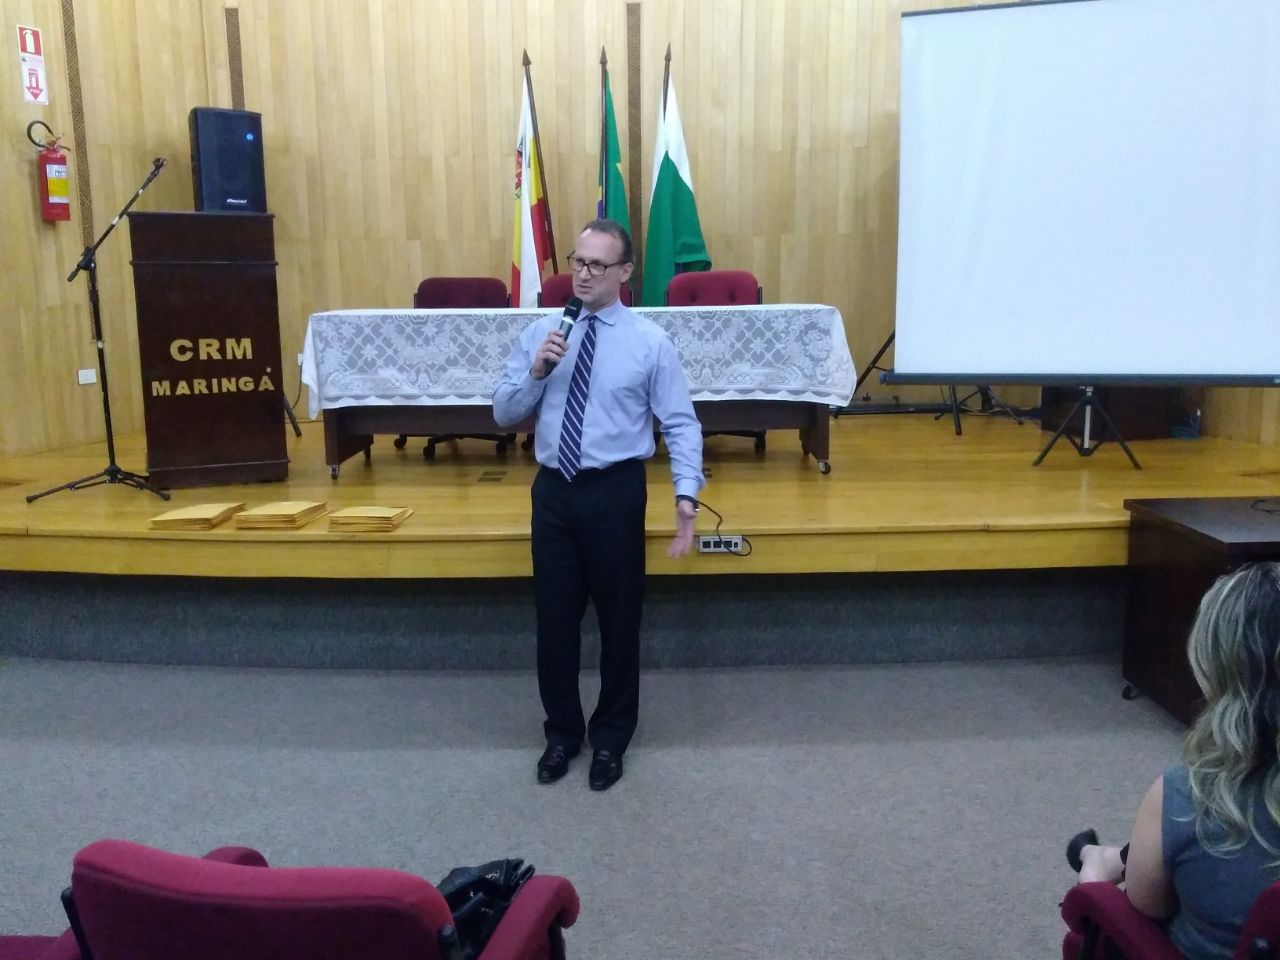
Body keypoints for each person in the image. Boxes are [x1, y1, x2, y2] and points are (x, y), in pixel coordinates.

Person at [493, 218, 703, 792]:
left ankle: (611, 737)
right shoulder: (542, 333)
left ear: (625, 272)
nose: (582, 275)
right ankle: (562, 734)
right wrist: (536, 373)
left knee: (619, 621)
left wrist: (686, 493)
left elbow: (681, 423)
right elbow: (504, 413)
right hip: (554, 492)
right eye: (578, 262)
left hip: (614, 491)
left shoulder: (649, 343)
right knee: (554, 622)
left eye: (597, 265)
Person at [1066, 561, 1280, 959]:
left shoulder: (1188, 793)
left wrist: (1093, 890)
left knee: (1115, 890)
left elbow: (1147, 905)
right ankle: (1111, 856)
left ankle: (1097, 864)